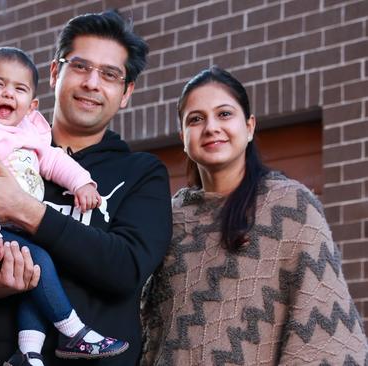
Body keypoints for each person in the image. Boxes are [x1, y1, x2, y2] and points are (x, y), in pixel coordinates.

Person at [0, 9, 173, 366]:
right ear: (56, 72)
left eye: (109, 74)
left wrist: (25, 211)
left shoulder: (142, 173)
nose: (92, 82)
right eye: (80, 66)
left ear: (125, 92)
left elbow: (126, 270)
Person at [140, 66, 368, 365]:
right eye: (196, 119)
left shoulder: (291, 208)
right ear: (183, 136)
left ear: (249, 127)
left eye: (224, 114)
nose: (211, 127)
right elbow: (150, 329)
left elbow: (325, 330)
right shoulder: (169, 218)